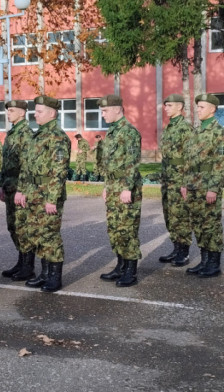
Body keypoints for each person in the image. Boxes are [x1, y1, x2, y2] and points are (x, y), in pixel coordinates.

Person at [14, 95, 71, 292]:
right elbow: (26, 167)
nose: (35, 115)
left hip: (47, 194)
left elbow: (59, 171)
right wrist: (21, 189)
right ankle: (44, 273)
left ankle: (55, 277)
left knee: (50, 235)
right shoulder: (36, 136)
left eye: (39, 111)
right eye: (35, 111)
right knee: (37, 233)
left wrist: (52, 199)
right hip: (32, 193)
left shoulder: (58, 137)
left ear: (52, 113)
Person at [183, 93, 224, 278]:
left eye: (202, 107)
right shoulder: (196, 132)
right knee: (198, 224)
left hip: (207, 187)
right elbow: (188, 161)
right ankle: (203, 261)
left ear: (212, 109)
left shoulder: (219, 133)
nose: (198, 110)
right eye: (198, 107)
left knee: (211, 225)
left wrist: (213, 188)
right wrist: (184, 184)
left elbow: (220, 164)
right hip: (193, 185)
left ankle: (214, 263)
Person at [96, 95, 143, 287]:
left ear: (117, 109)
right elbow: (110, 164)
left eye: (105, 111)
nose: (102, 114)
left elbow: (132, 163)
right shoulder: (113, 132)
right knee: (115, 229)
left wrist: (126, 188)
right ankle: (120, 266)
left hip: (125, 187)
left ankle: (130, 272)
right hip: (114, 186)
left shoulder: (128, 132)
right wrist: (108, 186)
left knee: (127, 229)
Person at [158, 94, 196, 267]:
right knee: (169, 214)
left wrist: (186, 182)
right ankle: (175, 247)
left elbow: (190, 157)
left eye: (169, 105)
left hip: (179, 178)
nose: (166, 108)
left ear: (180, 107)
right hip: (168, 178)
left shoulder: (185, 128)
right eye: (165, 106)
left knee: (180, 215)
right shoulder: (169, 127)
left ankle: (184, 251)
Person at [0, 100, 33, 280]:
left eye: (11, 111)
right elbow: (6, 164)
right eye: (8, 111)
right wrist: (1, 185)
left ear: (22, 113)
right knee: (13, 226)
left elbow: (27, 165)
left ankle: (28, 266)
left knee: (22, 227)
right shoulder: (11, 134)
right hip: (10, 186)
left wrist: (23, 189)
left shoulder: (25, 134)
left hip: (20, 188)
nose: (8, 113)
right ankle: (21, 261)